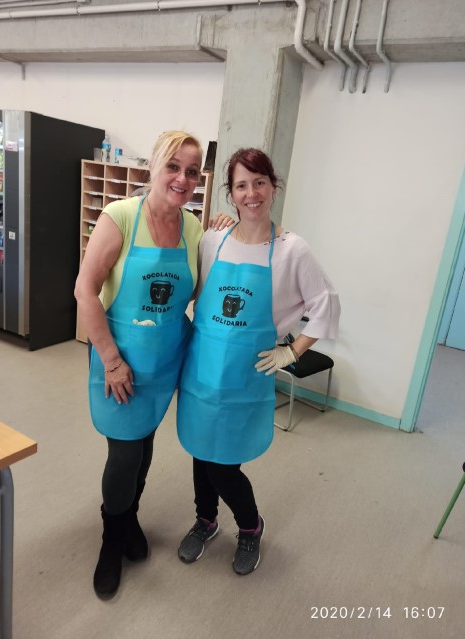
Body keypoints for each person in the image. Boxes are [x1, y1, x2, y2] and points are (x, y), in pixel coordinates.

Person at [74, 130, 232, 599]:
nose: (183, 178)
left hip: (165, 359)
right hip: (119, 358)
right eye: (173, 167)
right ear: (153, 167)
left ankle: (129, 519)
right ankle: (111, 540)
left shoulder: (193, 228)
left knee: (144, 445)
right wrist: (111, 360)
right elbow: (85, 291)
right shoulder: (120, 216)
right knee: (124, 453)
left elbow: (200, 293)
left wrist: (225, 234)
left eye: (192, 171)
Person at [176, 147, 341, 575]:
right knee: (200, 451)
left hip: (244, 377)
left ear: (273, 187)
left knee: (223, 463)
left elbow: (326, 303)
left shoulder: (292, 250)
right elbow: (191, 291)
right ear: (230, 194)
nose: (251, 194)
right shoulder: (213, 240)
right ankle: (206, 521)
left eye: (259, 183)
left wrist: (292, 350)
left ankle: (250, 527)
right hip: (201, 370)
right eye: (241, 186)